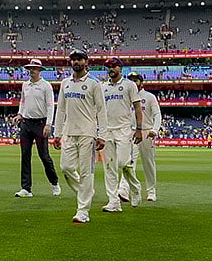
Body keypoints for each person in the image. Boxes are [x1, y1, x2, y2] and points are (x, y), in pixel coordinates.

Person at [53, 49, 107, 224]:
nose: (76, 62)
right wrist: (57, 133)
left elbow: (101, 111)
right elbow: (60, 109)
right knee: (66, 168)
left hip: (87, 133)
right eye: (73, 59)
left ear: (86, 62)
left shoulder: (94, 84)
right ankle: (87, 193)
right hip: (69, 132)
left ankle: (83, 211)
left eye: (79, 59)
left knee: (86, 172)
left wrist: (102, 135)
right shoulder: (65, 83)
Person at [100, 58, 143, 212]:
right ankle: (113, 202)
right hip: (107, 131)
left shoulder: (129, 85)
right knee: (109, 167)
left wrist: (139, 128)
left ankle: (135, 188)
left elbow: (138, 108)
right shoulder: (102, 87)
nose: (110, 69)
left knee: (123, 163)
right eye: (108, 67)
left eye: (113, 66)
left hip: (124, 129)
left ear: (120, 68)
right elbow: (98, 110)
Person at [14, 58, 61, 198]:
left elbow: (50, 106)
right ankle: (26, 188)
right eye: (30, 68)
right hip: (26, 123)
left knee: (44, 156)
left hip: (40, 124)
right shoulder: (25, 85)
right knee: (25, 155)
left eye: (34, 68)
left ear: (39, 70)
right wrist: (19, 114)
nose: (31, 71)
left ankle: (54, 182)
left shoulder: (46, 86)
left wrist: (48, 124)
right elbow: (22, 101)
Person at [117, 72, 160, 202]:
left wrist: (155, 130)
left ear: (141, 83)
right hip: (131, 132)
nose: (133, 83)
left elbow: (157, 115)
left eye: (135, 80)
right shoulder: (125, 97)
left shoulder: (149, 97)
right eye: (130, 80)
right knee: (128, 162)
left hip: (147, 133)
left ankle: (151, 192)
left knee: (148, 164)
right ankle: (124, 190)